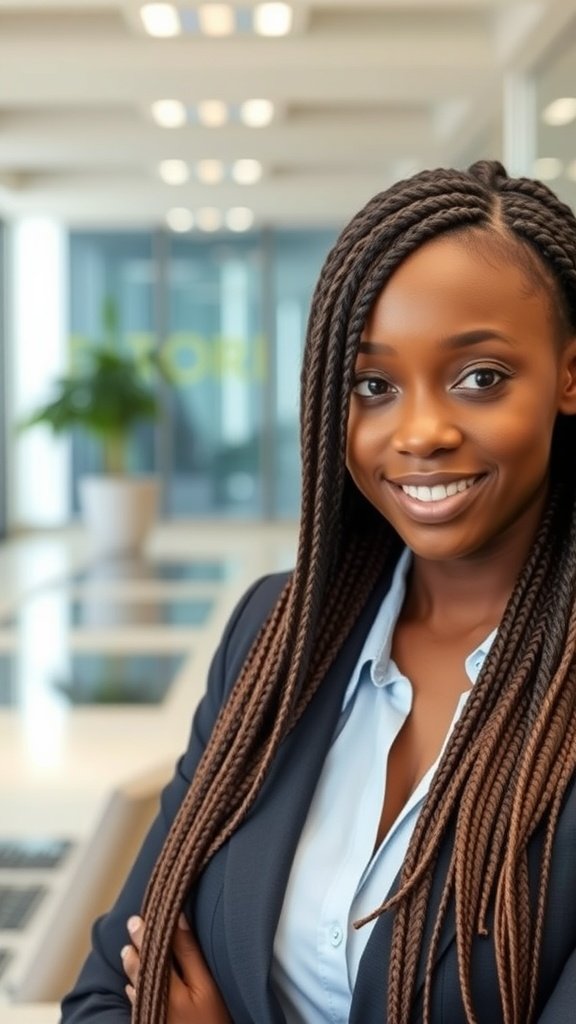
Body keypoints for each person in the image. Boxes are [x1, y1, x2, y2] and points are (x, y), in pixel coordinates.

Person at [60, 160, 576, 1024]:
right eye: (373, 386)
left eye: (479, 376)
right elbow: (107, 995)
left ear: (568, 374)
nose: (419, 432)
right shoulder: (278, 629)